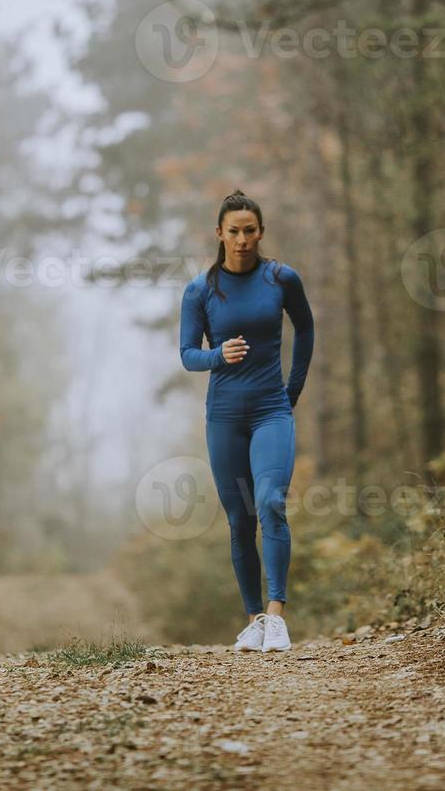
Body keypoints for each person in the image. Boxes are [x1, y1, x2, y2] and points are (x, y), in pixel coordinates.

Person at [178, 189, 314, 653]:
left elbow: (306, 328)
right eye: (233, 232)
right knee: (240, 519)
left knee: (272, 500)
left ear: (261, 232)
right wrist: (218, 354)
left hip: (271, 411)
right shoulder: (200, 289)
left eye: (250, 231)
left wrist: (291, 391)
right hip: (224, 417)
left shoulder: (281, 279)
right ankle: (253, 618)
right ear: (219, 233)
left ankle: (276, 616)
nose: (242, 240)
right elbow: (187, 355)